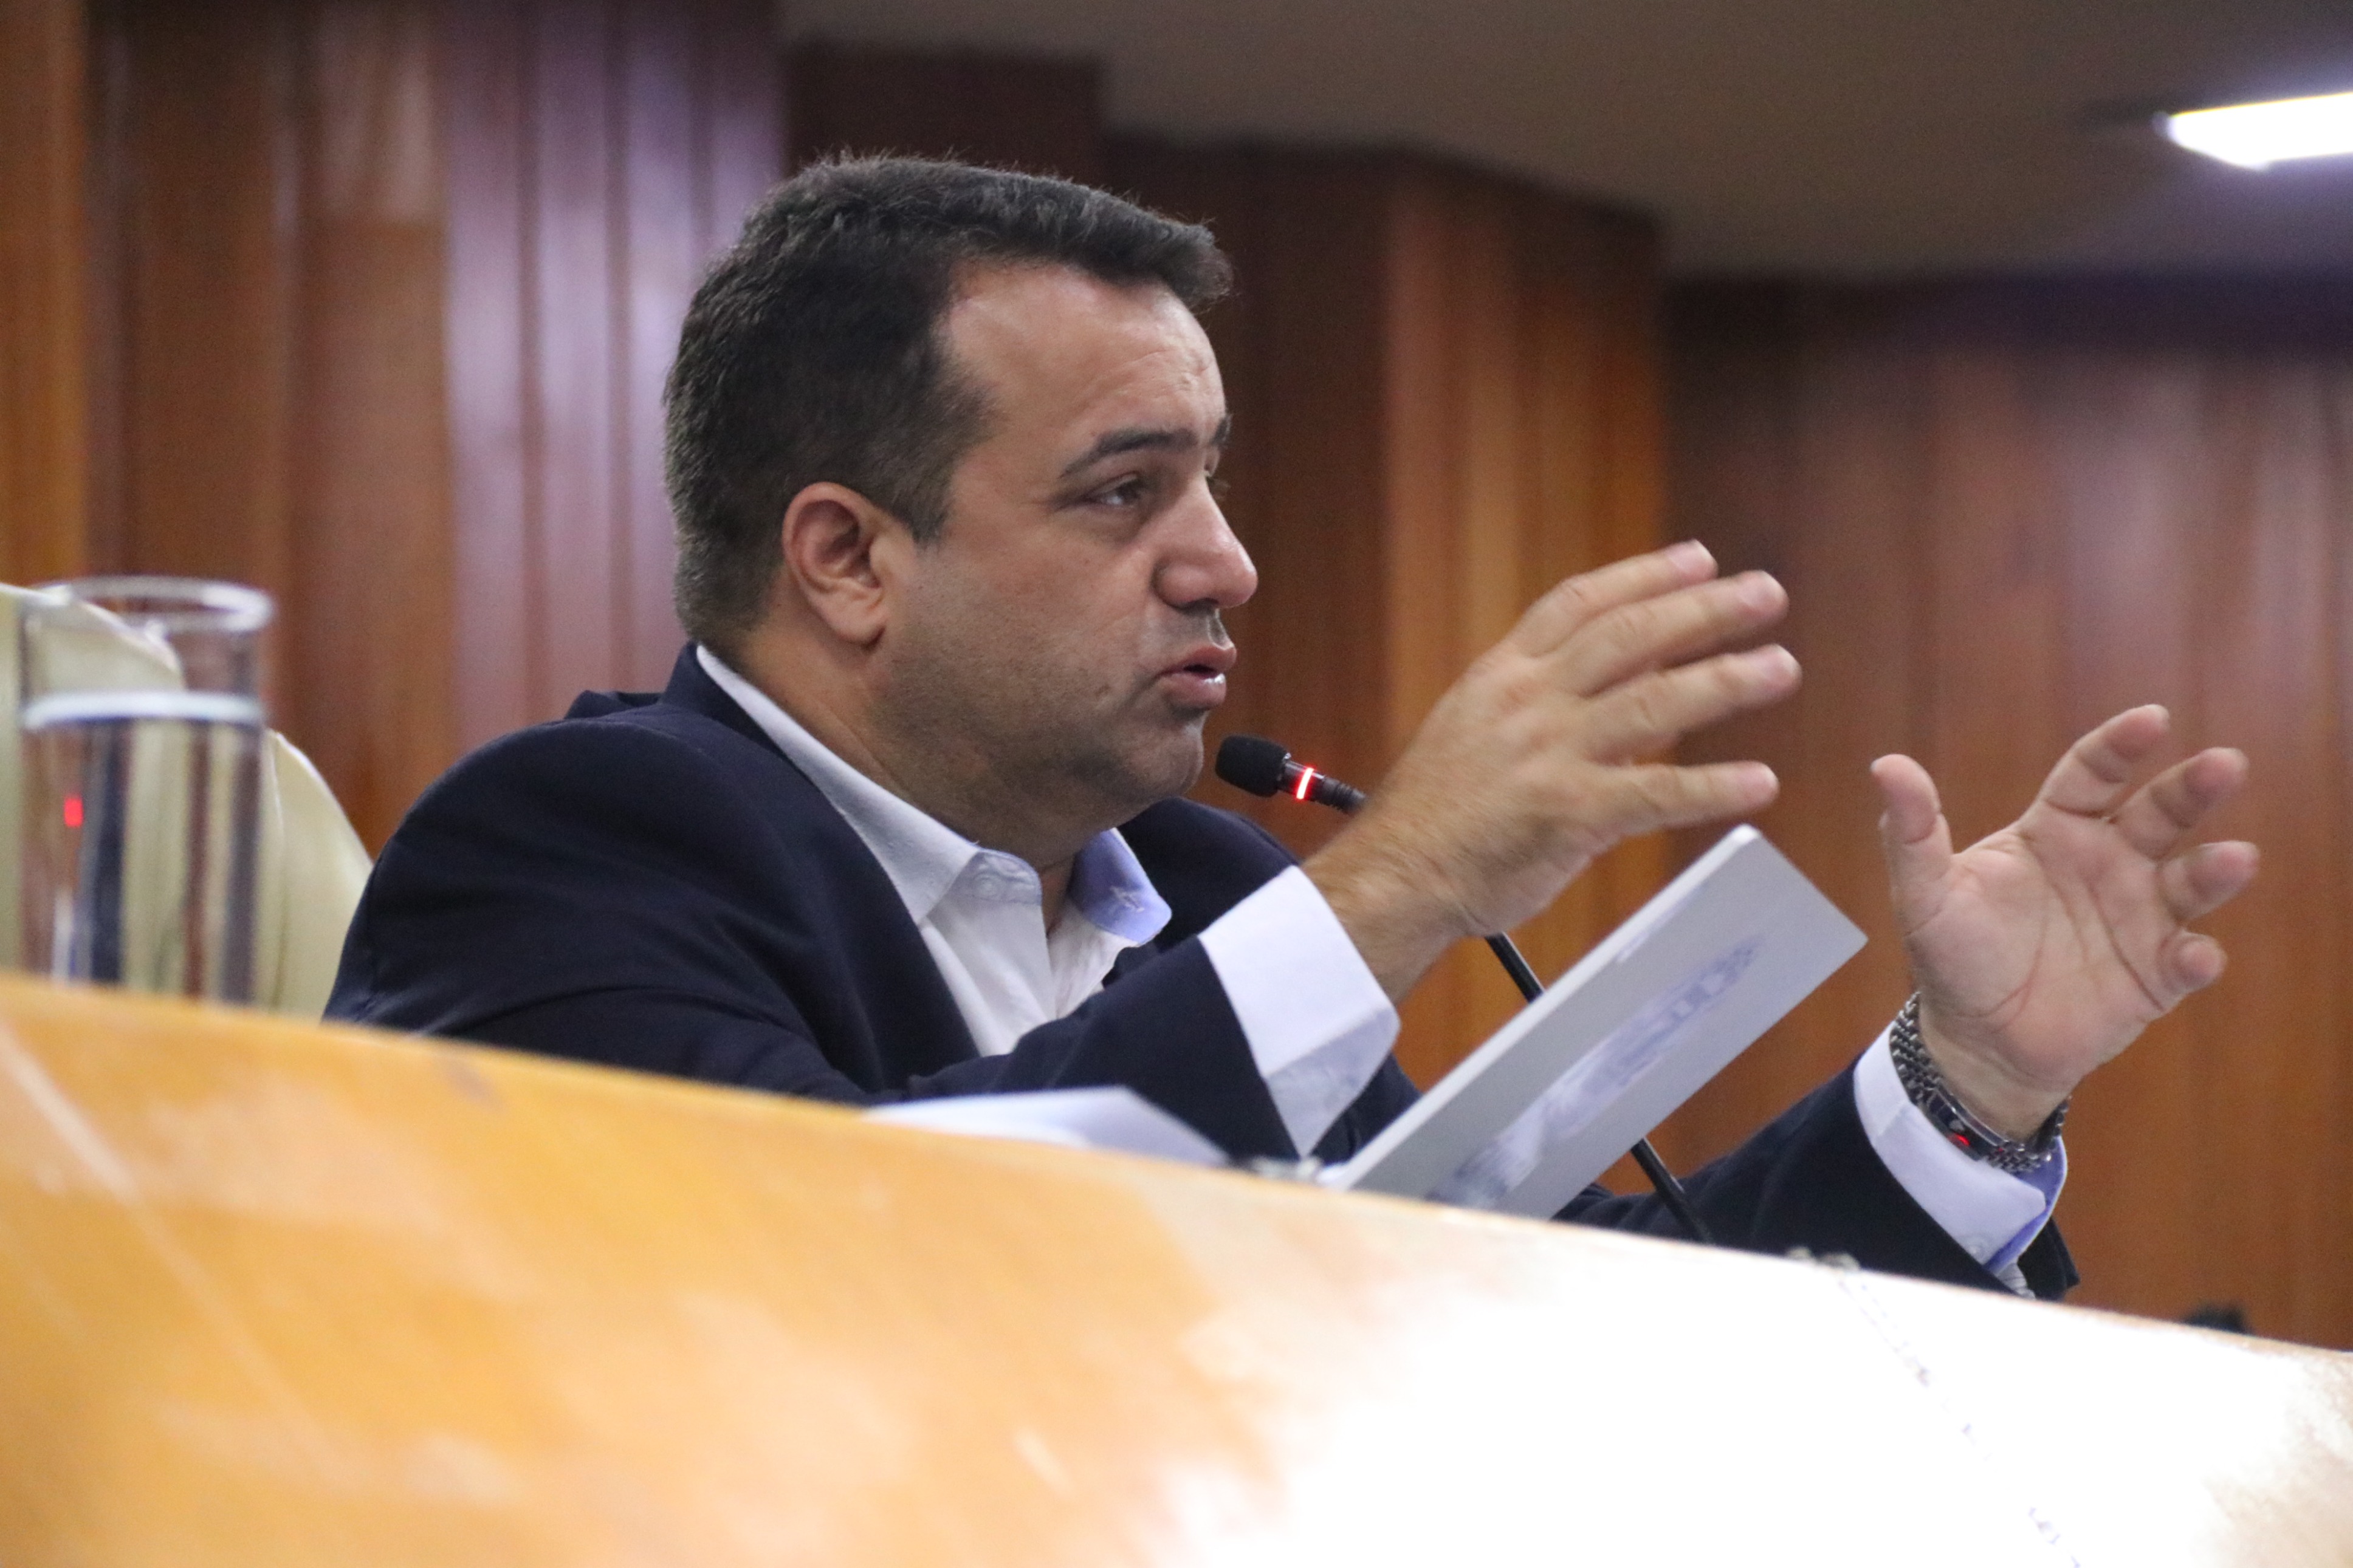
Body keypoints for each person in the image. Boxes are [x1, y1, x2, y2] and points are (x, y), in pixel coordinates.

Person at [328, 159, 2258, 1299]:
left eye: (1215, 480)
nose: (1227, 564)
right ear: (846, 558)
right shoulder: (571, 842)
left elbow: (1566, 1309)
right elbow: (841, 1259)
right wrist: (1398, 887)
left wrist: (1969, 1084)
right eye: (1124, 492)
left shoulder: (1202, 886)